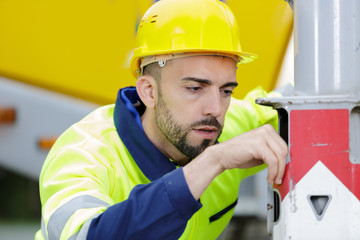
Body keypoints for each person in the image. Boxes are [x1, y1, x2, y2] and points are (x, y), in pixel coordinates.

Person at [35, 0, 288, 239]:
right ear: (149, 92)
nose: (215, 109)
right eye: (194, 89)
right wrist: (213, 161)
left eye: (226, 91)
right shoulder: (83, 155)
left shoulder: (228, 125)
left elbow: (307, 106)